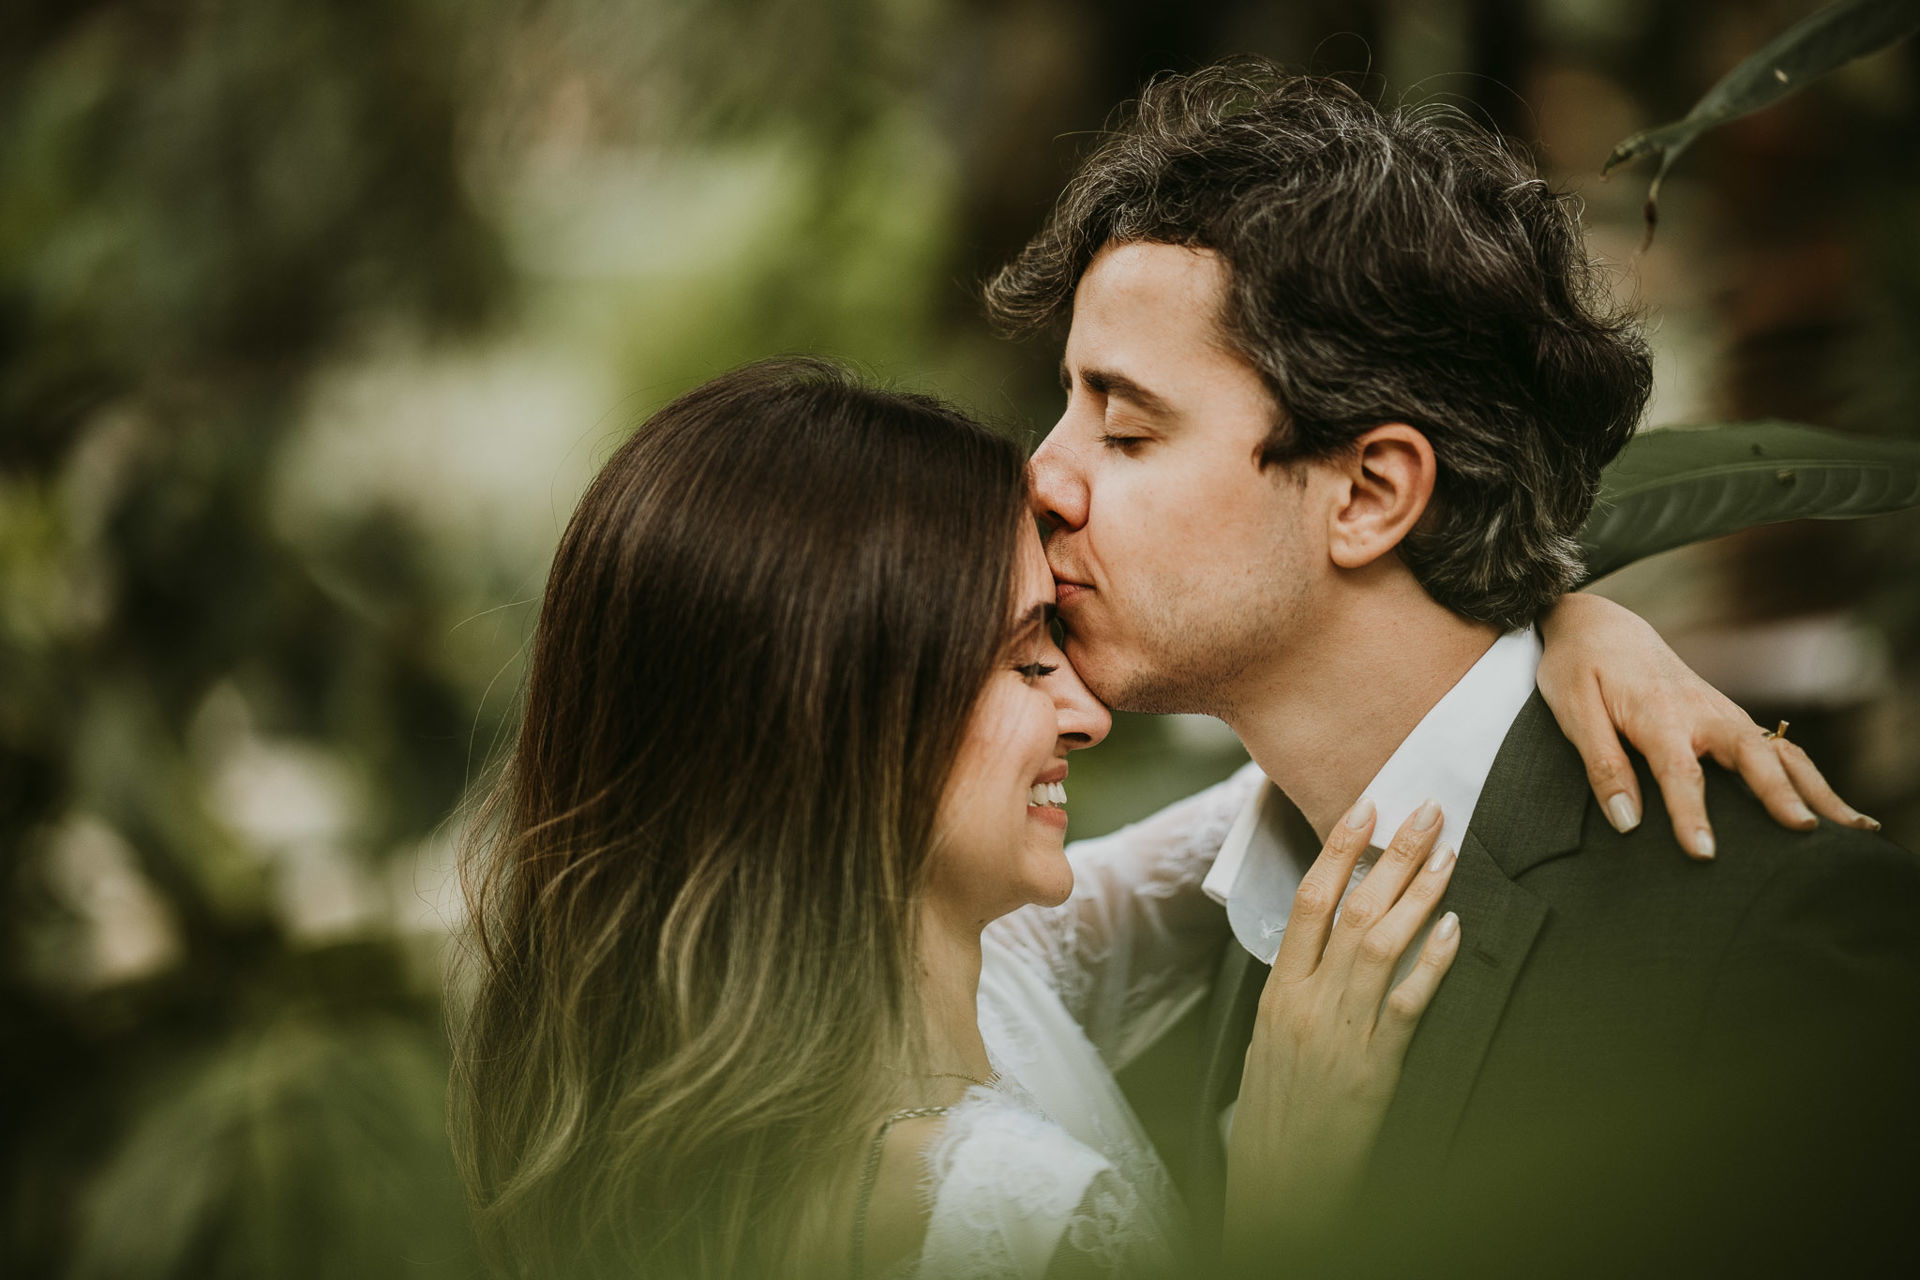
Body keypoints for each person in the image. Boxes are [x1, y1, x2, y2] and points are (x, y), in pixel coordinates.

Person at [449, 358, 1861, 1280]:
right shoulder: (1021, 1218)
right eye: (1025, 660)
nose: (1084, 709)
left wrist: (1565, 624)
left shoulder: (918, 984)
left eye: (1127, 426)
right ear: (838, 720)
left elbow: (1355, 766)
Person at [987, 59, 1920, 1275]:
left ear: (1371, 494)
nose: (1043, 478)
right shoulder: (1221, 916)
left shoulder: (1771, 941)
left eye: (1125, 428)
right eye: (1067, 408)